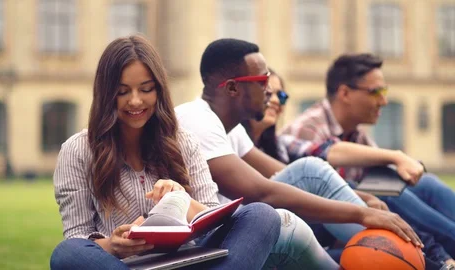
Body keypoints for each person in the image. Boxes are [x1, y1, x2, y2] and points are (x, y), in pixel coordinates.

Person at [175, 38, 422, 269]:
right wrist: (362, 213)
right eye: (262, 82)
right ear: (231, 88)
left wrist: (356, 196)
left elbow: (282, 174)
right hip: (218, 243)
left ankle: (418, 260)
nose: (270, 92)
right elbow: (262, 191)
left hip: (245, 229)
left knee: (315, 176)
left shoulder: (228, 126)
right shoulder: (197, 120)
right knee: (308, 177)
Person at [49, 35, 281, 270]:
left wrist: (182, 198)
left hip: (189, 260)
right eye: (122, 92)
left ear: (159, 90)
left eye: (146, 89)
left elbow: (212, 218)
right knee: (66, 253)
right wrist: (113, 245)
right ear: (106, 94)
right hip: (122, 265)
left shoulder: (182, 141)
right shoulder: (78, 150)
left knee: (262, 216)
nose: (136, 101)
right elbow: (78, 237)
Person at [242, 69, 455, 267]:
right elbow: (325, 153)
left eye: (282, 96)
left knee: (417, 184)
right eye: (268, 92)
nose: (275, 101)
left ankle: (437, 254)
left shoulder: (279, 144)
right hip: (293, 227)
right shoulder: (301, 128)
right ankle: (436, 258)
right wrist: (361, 208)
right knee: (379, 192)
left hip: (321, 221)